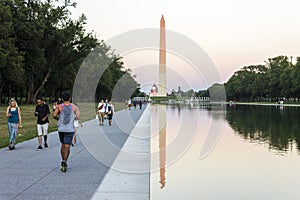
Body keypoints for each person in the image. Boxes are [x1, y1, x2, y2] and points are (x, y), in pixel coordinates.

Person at [53, 93, 80, 172]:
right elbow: (78, 117)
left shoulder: (59, 106)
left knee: (63, 144)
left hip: (61, 129)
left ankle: (63, 159)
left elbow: (54, 115)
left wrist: (58, 119)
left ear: (62, 99)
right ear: (70, 99)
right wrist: (73, 118)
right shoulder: (74, 107)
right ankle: (65, 160)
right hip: (70, 129)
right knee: (67, 145)